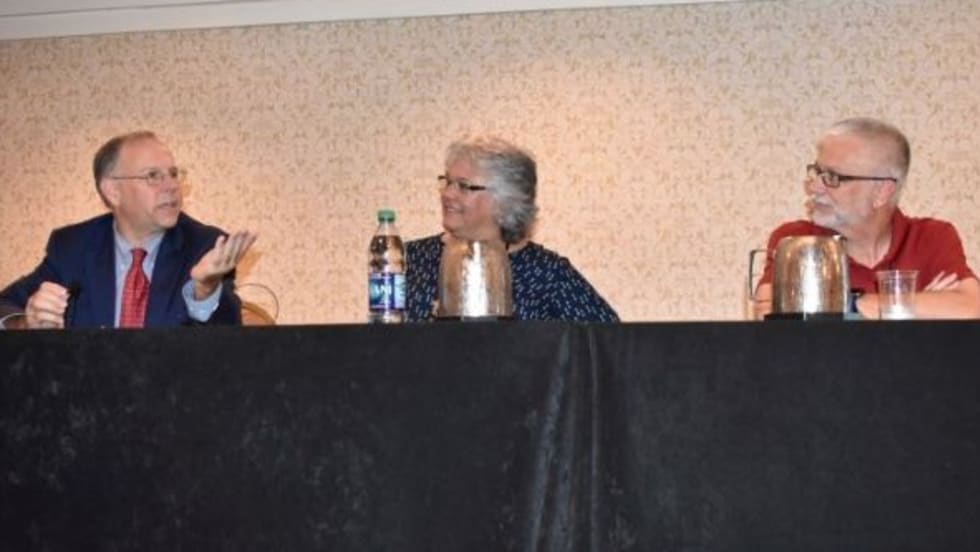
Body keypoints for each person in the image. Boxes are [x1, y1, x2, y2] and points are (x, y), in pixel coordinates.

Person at [0, 131, 257, 329]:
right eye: (153, 176)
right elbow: (5, 306)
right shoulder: (73, 247)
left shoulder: (204, 246)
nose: (172, 186)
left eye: (173, 174)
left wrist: (206, 291)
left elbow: (230, 342)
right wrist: (25, 323)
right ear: (113, 191)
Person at [755, 117, 980, 319]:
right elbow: (767, 315)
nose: (814, 187)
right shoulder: (797, 240)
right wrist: (914, 306)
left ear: (882, 192)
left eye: (832, 177)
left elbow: (972, 307)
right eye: (817, 172)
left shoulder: (931, 237)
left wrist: (850, 305)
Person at [406, 136, 618, 322]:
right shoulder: (408, 261)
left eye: (463, 185)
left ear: (505, 199)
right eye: (447, 182)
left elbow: (609, 342)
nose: (447, 194)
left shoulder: (547, 274)